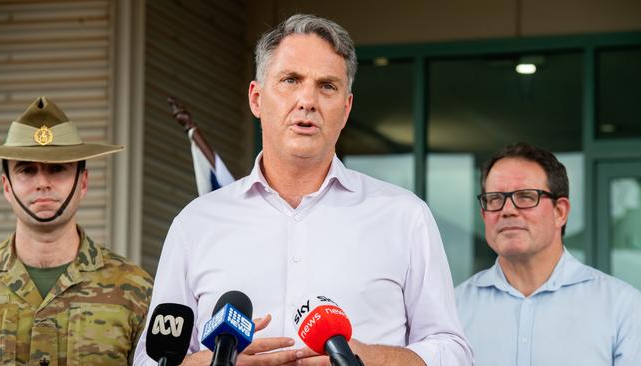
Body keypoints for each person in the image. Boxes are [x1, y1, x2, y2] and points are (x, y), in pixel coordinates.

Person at [134, 13, 472, 366]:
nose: (307, 100)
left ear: (346, 108)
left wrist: (371, 358)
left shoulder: (405, 217)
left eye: (327, 86)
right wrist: (214, 362)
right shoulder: (197, 223)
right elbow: (149, 359)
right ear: (256, 98)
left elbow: (453, 352)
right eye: (290, 80)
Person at [0, 97, 153, 366]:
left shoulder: (136, 290)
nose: (42, 182)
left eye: (58, 169)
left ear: (83, 183)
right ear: (7, 187)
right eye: (27, 170)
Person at [455, 142, 641, 366]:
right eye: (495, 199)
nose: (507, 210)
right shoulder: (453, 309)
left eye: (525, 196)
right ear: (485, 216)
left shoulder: (622, 307)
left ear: (560, 212)